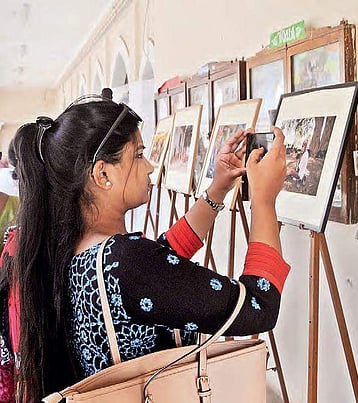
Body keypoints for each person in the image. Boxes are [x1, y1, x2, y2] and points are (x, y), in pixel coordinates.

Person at [12, 95, 290, 401]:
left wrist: (219, 186)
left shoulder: (76, 252)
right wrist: (264, 201)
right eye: (139, 155)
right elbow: (257, 308)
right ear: (103, 174)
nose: (150, 166)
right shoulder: (127, 262)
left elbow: (163, 260)